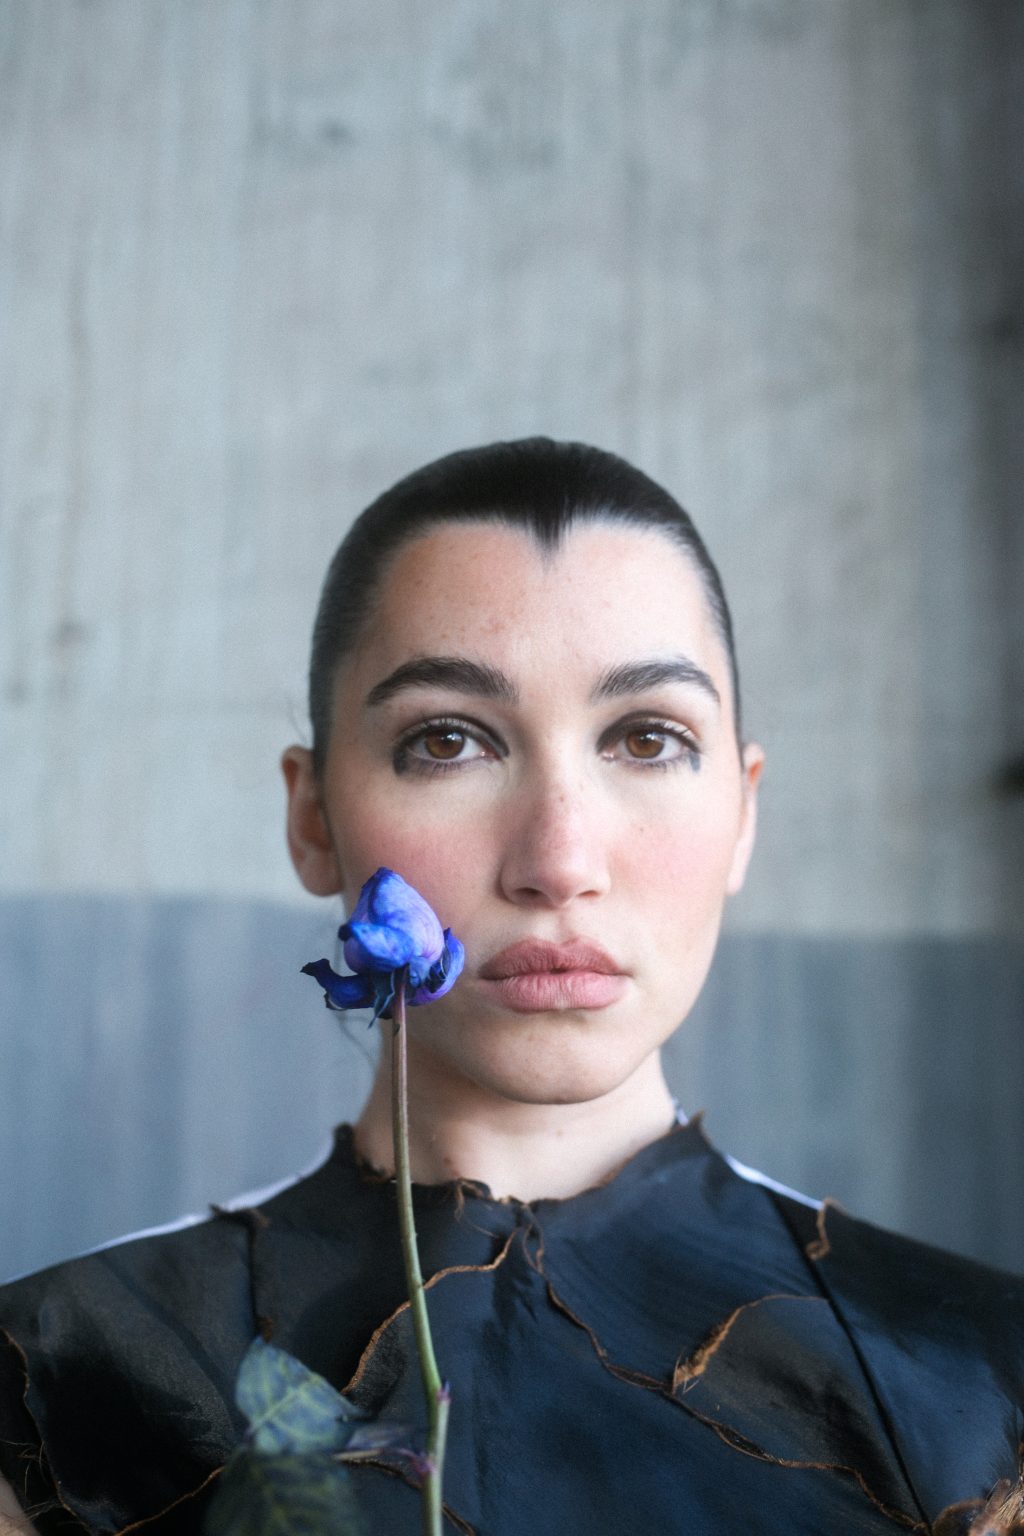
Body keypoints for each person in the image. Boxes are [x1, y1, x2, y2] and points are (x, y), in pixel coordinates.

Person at [1, 439, 1021, 1536]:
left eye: (647, 739)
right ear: (312, 819)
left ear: (743, 811)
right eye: (448, 741)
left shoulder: (983, 1386)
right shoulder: (72, 1377)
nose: (559, 860)